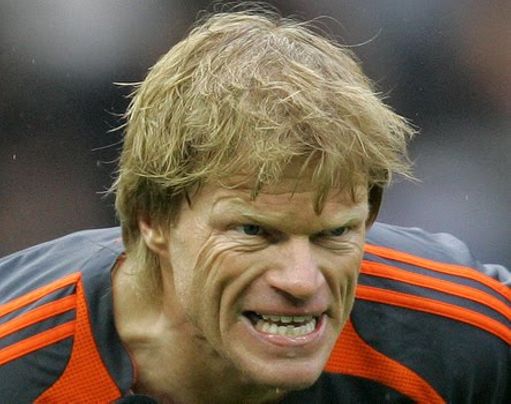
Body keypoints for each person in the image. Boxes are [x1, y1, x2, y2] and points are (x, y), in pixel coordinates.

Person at [0, 9, 509, 403]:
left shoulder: (460, 332)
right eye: (253, 231)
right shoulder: (18, 362)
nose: (302, 282)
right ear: (151, 219)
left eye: (334, 233)